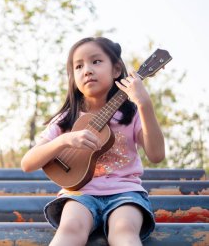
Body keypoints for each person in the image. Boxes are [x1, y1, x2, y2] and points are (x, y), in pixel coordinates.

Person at [21, 37, 165, 246]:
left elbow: (157, 155)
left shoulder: (131, 114)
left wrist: (144, 104)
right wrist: (64, 140)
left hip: (125, 193)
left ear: (116, 69)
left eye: (96, 61)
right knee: (70, 228)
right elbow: (27, 163)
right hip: (79, 194)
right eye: (78, 66)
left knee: (123, 229)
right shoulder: (66, 119)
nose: (87, 70)